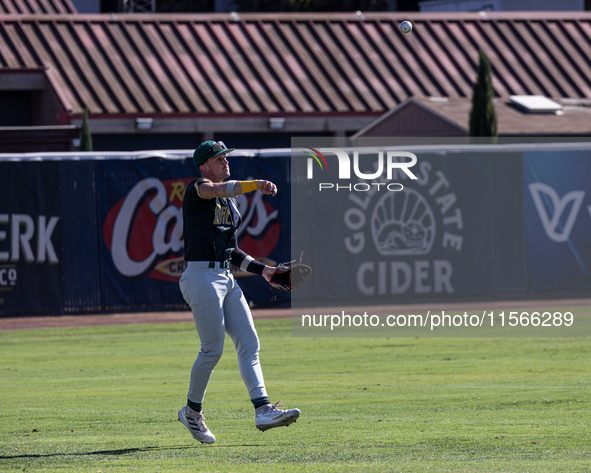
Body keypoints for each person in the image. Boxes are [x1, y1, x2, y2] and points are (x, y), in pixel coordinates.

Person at [177, 140, 300, 444]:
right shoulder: (199, 189)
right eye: (218, 158)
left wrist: (264, 271)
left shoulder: (229, 204)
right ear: (204, 165)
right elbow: (218, 189)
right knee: (212, 349)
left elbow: (230, 251)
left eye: (226, 157)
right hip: (200, 276)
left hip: (225, 276)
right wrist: (256, 184)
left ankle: (263, 409)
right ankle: (191, 412)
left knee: (249, 342)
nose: (225, 161)